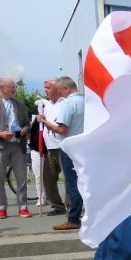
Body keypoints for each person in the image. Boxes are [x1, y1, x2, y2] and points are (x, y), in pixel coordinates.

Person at [0, 77, 32, 219]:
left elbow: (27, 124)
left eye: (14, 87)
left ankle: (23, 207)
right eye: (11, 87)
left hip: (17, 144)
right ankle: (1, 208)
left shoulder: (19, 104)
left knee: (21, 178)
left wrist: (24, 130)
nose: (14, 89)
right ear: (1, 87)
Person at [39, 76, 84, 231]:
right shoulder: (88, 102)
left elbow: (62, 129)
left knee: (73, 184)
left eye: (60, 90)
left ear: (66, 89)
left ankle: (74, 218)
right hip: (85, 147)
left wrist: (46, 124)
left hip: (69, 147)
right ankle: (86, 213)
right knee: (85, 182)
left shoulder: (68, 103)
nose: (60, 93)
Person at [38, 78, 67, 217]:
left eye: (48, 87)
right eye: (45, 87)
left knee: (68, 178)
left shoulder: (65, 103)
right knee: (48, 178)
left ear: (57, 88)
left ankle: (73, 205)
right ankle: (57, 205)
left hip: (62, 146)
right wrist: (40, 119)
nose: (46, 90)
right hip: (49, 146)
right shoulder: (47, 104)